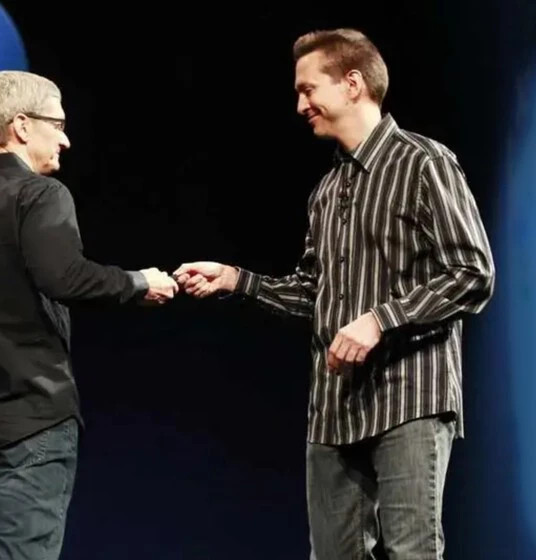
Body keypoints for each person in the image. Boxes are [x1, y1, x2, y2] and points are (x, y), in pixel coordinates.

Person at [173, 28, 495, 559]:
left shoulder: (424, 162)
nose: (300, 105)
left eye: (308, 89)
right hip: (335, 409)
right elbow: (312, 295)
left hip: (409, 396)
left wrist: (380, 319)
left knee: (412, 552)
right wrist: (235, 279)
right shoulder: (326, 191)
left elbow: (472, 272)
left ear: (352, 83)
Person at [0, 70, 179, 560]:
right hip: (30, 425)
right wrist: (139, 282)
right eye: (57, 124)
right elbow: (65, 278)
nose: (65, 139)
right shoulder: (40, 195)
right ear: (21, 126)